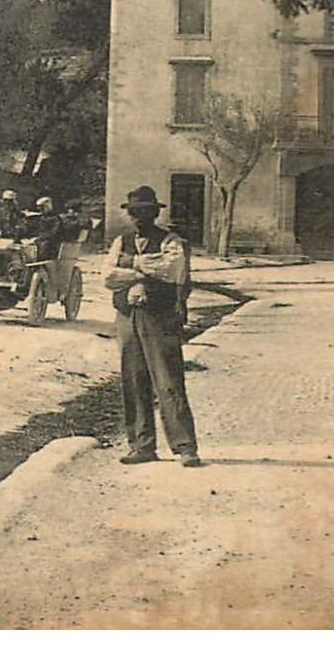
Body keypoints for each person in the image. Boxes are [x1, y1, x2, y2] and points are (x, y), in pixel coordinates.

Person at [103, 185, 202, 468]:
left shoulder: (171, 241)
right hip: (127, 316)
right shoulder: (120, 241)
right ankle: (141, 444)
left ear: (155, 213)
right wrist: (145, 269)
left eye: (144, 212)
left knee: (168, 380)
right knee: (133, 380)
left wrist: (131, 265)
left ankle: (185, 447)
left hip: (159, 317)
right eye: (134, 213)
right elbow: (108, 276)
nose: (138, 218)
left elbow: (172, 270)